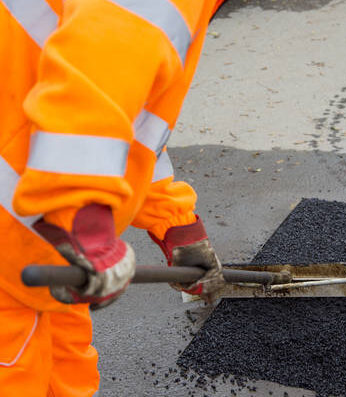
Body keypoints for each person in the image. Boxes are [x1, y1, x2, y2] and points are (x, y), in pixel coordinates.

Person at [0, 1, 226, 395]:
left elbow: (121, 119)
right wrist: (81, 219)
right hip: (30, 223)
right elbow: (92, 79)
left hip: (38, 231)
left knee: (68, 365)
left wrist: (172, 220)